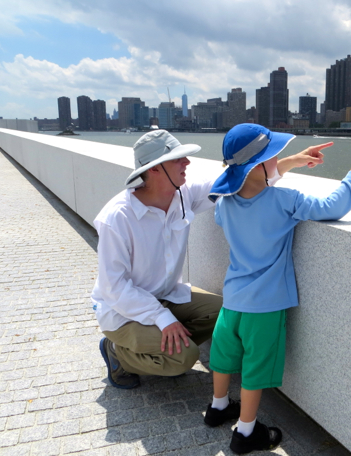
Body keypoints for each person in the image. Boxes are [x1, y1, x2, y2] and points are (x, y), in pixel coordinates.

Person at [92, 129, 333, 389]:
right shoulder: (117, 217)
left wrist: (291, 161)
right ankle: (117, 351)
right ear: (154, 169)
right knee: (182, 359)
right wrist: (162, 318)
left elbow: (240, 179)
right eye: (178, 159)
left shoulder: (183, 194)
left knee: (225, 313)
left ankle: (164, 340)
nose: (187, 163)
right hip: (123, 313)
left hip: (167, 296)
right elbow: (113, 289)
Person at [203, 123, 351, 454]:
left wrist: (292, 161)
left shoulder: (223, 203)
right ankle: (246, 432)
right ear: (260, 166)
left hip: (233, 301)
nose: (279, 160)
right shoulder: (285, 200)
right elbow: (332, 207)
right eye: (275, 157)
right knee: (255, 369)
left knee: (223, 356)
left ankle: (218, 406)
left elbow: (249, 184)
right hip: (264, 306)